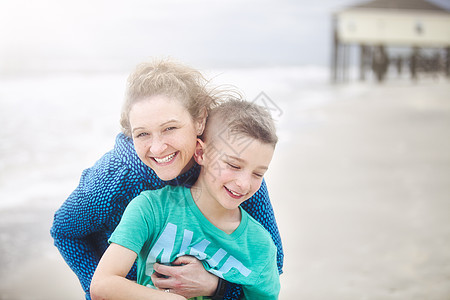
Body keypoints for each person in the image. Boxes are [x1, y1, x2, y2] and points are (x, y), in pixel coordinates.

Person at [50, 59, 284, 300]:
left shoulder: (233, 169)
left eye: (170, 128)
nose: (158, 147)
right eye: (142, 133)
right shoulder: (116, 177)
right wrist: (114, 291)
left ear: (200, 119)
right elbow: (64, 230)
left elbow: (270, 267)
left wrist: (218, 287)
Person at [90, 99, 280, 300]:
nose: (244, 184)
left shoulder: (262, 247)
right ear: (200, 153)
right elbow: (102, 285)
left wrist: (218, 288)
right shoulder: (152, 209)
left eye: (258, 174)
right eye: (233, 165)